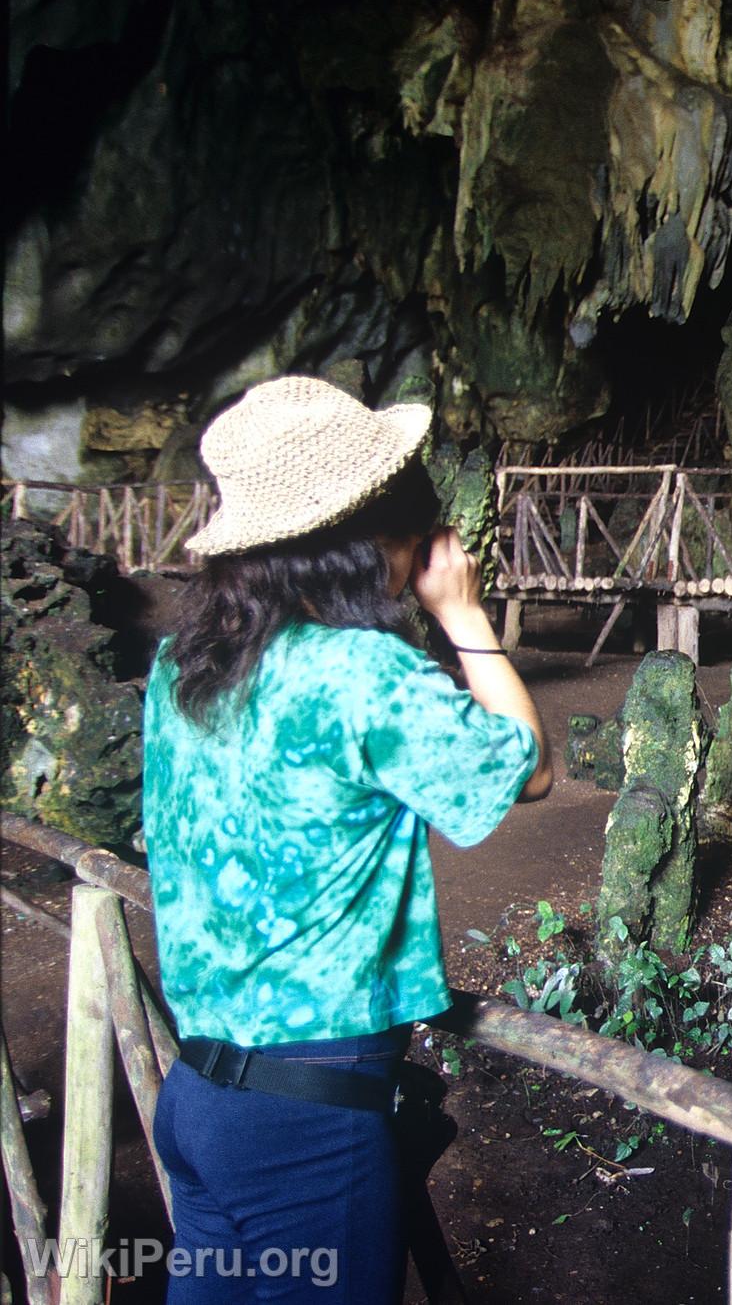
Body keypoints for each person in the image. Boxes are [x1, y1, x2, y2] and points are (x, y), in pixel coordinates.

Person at [143, 375, 551, 1302]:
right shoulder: (360, 672)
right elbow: (523, 769)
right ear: (378, 538)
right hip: (308, 1120)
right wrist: (462, 614)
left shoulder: (183, 665)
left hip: (200, 1097)